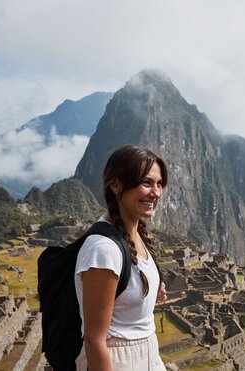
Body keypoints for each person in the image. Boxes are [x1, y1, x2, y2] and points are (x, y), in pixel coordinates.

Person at [74, 144, 168, 371]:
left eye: (159, 184)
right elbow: (95, 340)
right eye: (146, 183)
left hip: (149, 353)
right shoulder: (103, 249)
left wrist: (147, 292)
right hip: (118, 359)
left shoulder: (136, 235)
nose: (155, 193)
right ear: (116, 185)